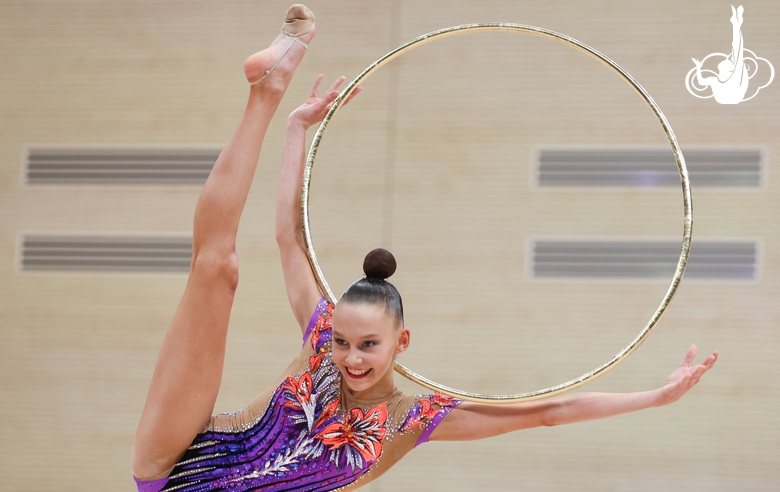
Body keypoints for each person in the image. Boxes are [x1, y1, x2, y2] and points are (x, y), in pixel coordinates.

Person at [132, 5, 718, 491]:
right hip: (173, 466)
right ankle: (268, 91)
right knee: (217, 267)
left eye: (366, 344)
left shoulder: (413, 420)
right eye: (341, 341)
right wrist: (294, 130)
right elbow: (288, 234)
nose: (350, 357)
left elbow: (548, 412)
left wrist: (654, 397)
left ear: (401, 343)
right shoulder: (320, 348)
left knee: (220, 269)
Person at [691, 5, 749, 104]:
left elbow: (737, 48)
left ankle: (736, 23)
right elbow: (701, 82)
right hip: (726, 98)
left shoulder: (734, 78)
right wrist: (698, 67)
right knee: (736, 50)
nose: (724, 59)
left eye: (727, 61)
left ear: (729, 69)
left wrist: (736, 26)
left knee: (737, 50)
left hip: (733, 97)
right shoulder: (714, 80)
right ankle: (736, 23)